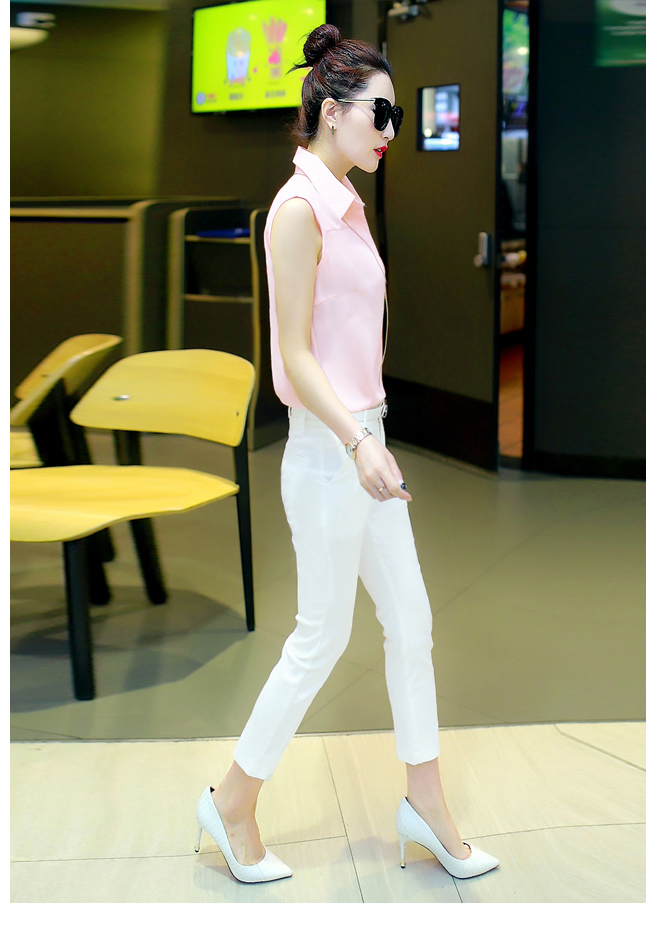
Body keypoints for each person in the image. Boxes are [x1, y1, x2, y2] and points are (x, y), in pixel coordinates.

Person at [194, 24, 499, 885]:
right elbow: (293, 354)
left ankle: (426, 803)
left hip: (368, 441)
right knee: (322, 636)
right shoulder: (299, 211)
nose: (391, 130)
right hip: (332, 454)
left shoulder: (347, 202)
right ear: (331, 112)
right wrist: (358, 438)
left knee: (412, 622)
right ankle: (232, 801)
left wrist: (372, 435)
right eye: (381, 113)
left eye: (395, 116)